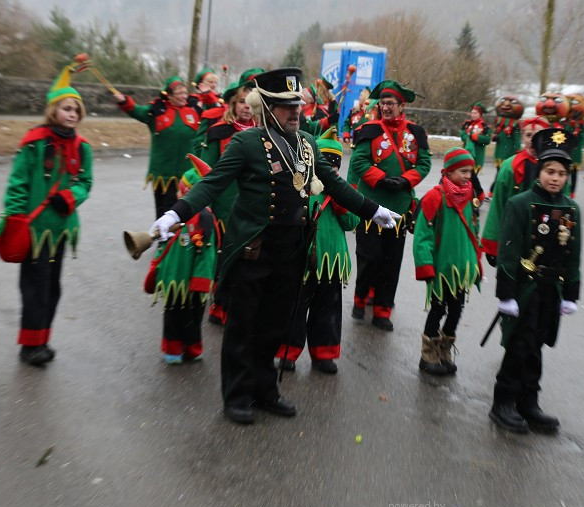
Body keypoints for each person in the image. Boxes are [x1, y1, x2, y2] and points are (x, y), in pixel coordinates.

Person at [148, 67, 398, 425]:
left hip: (291, 253)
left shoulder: (308, 144)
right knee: (243, 328)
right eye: (285, 105)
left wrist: (373, 210)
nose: (295, 110)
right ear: (266, 107)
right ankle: (236, 395)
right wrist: (176, 214)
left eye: (296, 103)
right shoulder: (246, 143)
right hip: (254, 251)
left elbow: (334, 185)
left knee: (275, 327)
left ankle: (265, 390)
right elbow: (214, 183)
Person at [0, 64, 94, 366]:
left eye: (76, 110)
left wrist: (71, 197)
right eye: (66, 108)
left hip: (61, 228)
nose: (72, 114)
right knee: (34, 286)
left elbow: (85, 182)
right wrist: (14, 213)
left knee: (52, 287)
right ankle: (30, 345)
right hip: (34, 229)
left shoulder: (82, 147)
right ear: (54, 110)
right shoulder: (34, 142)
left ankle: (42, 339)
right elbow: (18, 180)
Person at [487, 128, 581, 434]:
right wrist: (506, 294)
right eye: (549, 171)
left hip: (550, 290)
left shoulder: (571, 209)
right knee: (520, 344)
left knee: (537, 344)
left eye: (561, 173)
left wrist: (570, 293)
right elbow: (509, 251)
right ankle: (502, 403)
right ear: (539, 171)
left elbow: (574, 254)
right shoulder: (519, 203)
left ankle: (529, 403)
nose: (555, 178)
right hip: (525, 289)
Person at [349, 79, 432, 331]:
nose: (385, 107)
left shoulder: (416, 133)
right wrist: (382, 179)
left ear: (401, 105)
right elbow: (358, 163)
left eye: (390, 103)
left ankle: (383, 310)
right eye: (382, 103)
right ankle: (360, 299)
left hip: (399, 207)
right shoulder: (369, 130)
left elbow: (424, 163)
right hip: (371, 207)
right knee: (369, 257)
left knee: (391, 262)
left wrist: (406, 180)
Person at [277, 130, 359, 375]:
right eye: (326, 164)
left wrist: (340, 203)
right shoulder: (300, 186)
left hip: (332, 261)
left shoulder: (341, 191)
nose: (331, 170)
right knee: (294, 307)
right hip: (303, 258)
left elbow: (353, 223)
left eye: (335, 166)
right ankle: (287, 352)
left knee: (328, 308)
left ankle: (324, 353)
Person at [413, 147, 482, 376]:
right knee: (437, 309)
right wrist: (425, 265)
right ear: (449, 171)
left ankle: (444, 351)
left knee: (456, 310)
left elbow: (473, 230)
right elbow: (423, 235)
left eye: (470, 172)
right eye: (463, 171)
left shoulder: (470, 196)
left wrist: (475, 262)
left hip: (461, 268)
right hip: (441, 268)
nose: (467, 176)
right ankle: (428, 355)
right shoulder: (435, 196)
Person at [146, 155, 217, 365]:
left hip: (191, 283)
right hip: (173, 280)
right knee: (173, 318)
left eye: (181, 189)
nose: (177, 193)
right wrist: (158, 267)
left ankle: (192, 349)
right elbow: (164, 245)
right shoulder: (176, 217)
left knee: (192, 319)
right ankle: (173, 350)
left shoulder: (204, 218)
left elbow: (207, 252)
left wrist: (202, 281)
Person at [196, 80, 256, 325]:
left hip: (253, 207)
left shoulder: (264, 132)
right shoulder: (219, 131)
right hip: (223, 208)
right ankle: (220, 306)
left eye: (251, 103)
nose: (246, 107)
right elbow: (206, 172)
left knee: (249, 262)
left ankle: (242, 306)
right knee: (226, 259)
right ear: (233, 103)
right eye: (242, 102)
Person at [114, 76, 202, 218]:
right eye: (179, 93)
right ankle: (164, 239)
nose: (184, 96)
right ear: (169, 95)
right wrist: (124, 101)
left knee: (185, 214)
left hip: (186, 175)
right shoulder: (157, 110)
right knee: (164, 213)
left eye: (185, 93)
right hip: (162, 173)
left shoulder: (194, 111)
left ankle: (183, 240)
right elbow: (137, 111)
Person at [480, 116, 550, 261]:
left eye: (538, 135)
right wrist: (493, 242)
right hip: (513, 236)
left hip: (545, 238)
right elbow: (498, 205)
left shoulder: (554, 167)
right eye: (529, 135)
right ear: (523, 137)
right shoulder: (510, 166)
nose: (533, 140)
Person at [563, 93, 584, 197]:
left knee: (574, 175)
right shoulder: (564, 123)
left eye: (575, 103)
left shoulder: (581, 125)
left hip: (575, 154)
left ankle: (572, 193)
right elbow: (563, 134)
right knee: (564, 174)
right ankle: (563, 192)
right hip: (564, 153)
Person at [460, 102, 492, 176]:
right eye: (472, 113)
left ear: (480, 114)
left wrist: (477, 138)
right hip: (466, 152)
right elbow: (462, 134)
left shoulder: (484, 126)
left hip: (477, 154)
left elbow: (487, 140)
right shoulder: (467, 124)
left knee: (472, 178)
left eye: (475, 113)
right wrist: (467, 138)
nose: (473, 115)